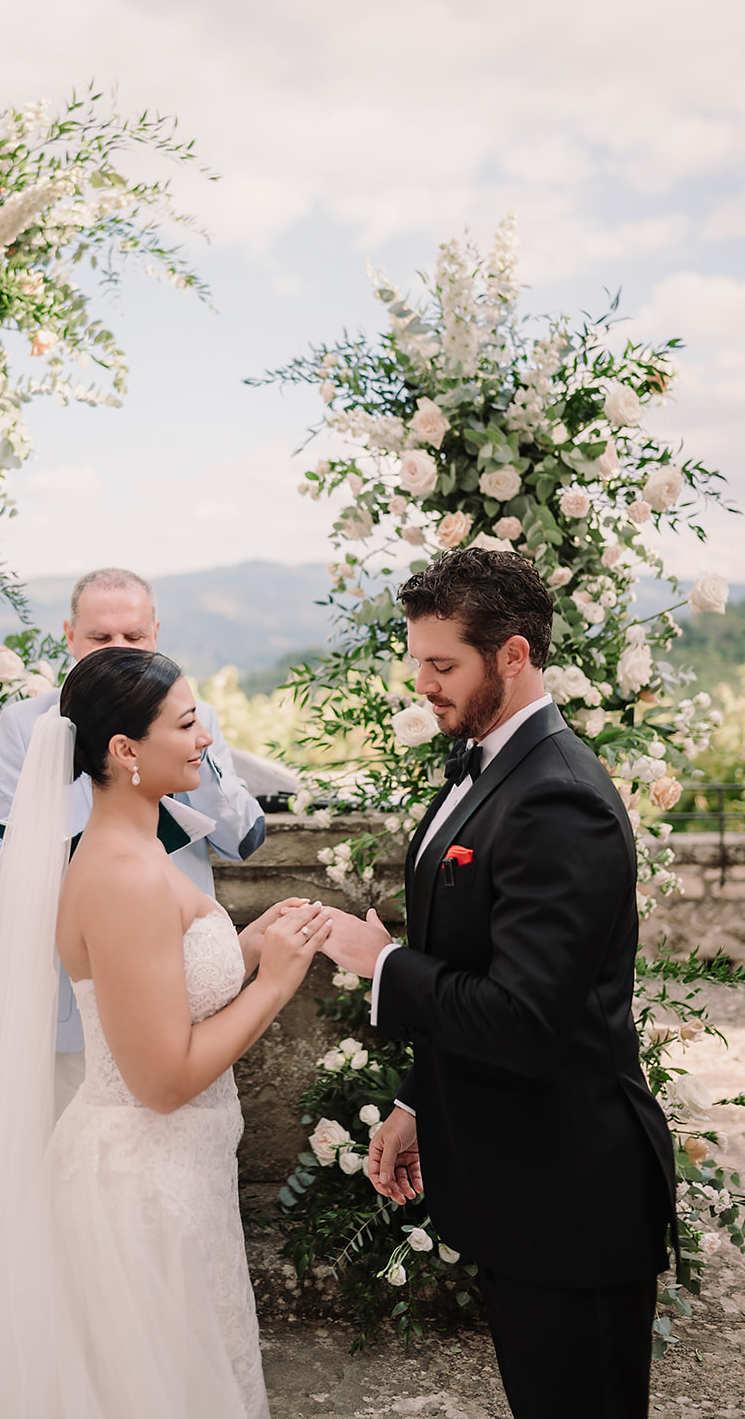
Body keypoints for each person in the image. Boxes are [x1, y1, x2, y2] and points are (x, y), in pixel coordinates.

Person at [0, 648, 331, 1419]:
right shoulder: (123, 874)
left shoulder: (133, 848)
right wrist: (273, 984)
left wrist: (243, 948)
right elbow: (162, 1079)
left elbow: (154, 991)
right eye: (185, 722)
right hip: (141, 1197)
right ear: (124, 750)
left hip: (175, 1180)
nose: (204, 736)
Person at [322, 548, 676, 1419]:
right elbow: (483, 967)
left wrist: (382, 965)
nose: (424, 685)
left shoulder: (560, 798)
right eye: (418, 664)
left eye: (443, 666)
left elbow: (523, 1020)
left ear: (512, 656)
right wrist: (415, 1104)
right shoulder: (486, 765)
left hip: (572, 1199)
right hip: (521, 1189)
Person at [0, 567, 266, 1111]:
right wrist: (94, 868)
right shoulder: (29, 725)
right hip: (73, 994)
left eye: (133, 637)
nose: (118, 648)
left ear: (156, 634)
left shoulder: (195, 721)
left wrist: (191, 743)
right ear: (69, 635)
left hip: (182, 989)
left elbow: (241, 839)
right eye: (100, 636)